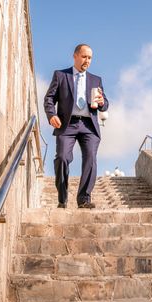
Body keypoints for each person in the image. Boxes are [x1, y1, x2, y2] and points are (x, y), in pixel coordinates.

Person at [44, 44, 109, 209]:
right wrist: (52, 115)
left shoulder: (96, 79)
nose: (87, 61)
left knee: (91, 159)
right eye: (84, 57)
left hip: (89, 125)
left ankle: (84, 199)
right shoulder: (60, 75)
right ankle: (62, 198)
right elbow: (49, 99)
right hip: (67, 124)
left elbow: (105, 104)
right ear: (75, 56)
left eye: (90, 58)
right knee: (62, 158)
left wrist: (102, 103)